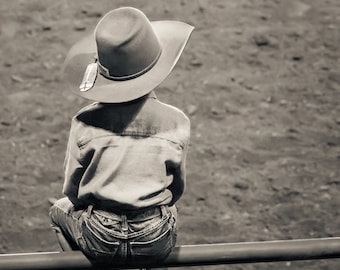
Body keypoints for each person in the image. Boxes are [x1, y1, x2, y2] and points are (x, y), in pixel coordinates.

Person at [49, 6, 194, 268]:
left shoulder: (84, 121)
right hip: (155, 235)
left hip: (100, 236)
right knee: (169, 211)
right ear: (155, 68)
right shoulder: (177, 121)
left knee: (58, 211)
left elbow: (72, 190)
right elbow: (176, 188)